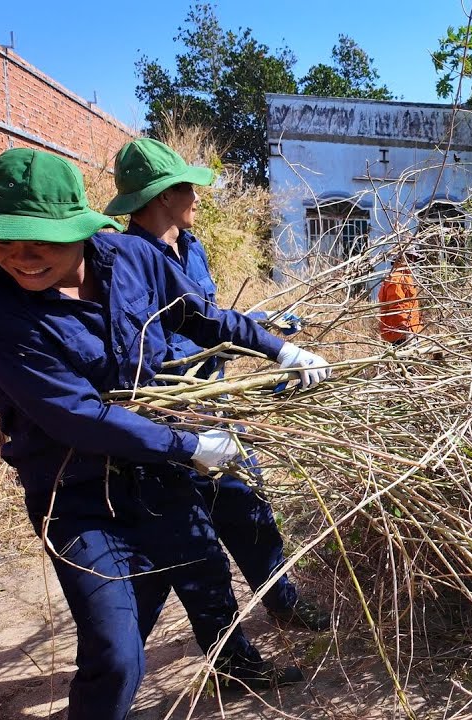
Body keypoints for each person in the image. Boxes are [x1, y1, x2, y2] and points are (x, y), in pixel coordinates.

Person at [0, 148, 331, 720]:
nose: (22, 260)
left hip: (160, 476)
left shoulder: (129, 259)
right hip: (76, 492)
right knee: (116, 651)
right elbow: (76, 417)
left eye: (40, 243)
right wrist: (192, 445)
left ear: (78, 227)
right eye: (4, 243)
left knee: (204, 577)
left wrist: (280, 348)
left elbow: (198, 316)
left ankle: (236, 666)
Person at [104, 138, 329, 631]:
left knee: (251, 511)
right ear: (164, 195)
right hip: (172, 417)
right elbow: (147, 349)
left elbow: (206, 321)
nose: (198, 198)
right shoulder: (127, 261)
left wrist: (260, 326)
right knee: (193, 545)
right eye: (190, 189)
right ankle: (214, 651)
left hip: (216, 404)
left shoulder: (192, 249)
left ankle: (282, 600)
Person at [378, 249, 425, 345]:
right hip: (402, 333)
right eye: (411, 259)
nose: (413, 263)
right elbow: (397, 306)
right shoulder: (396, 279)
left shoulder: (405, 277)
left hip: (409, 329)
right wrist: (405, 329)